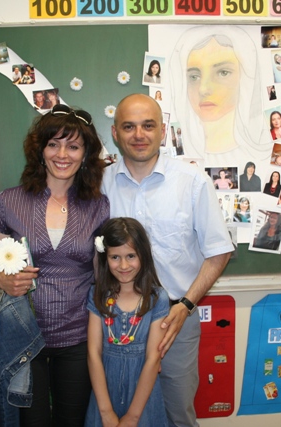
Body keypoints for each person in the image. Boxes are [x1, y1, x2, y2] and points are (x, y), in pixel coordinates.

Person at [0, 104, 109, 427]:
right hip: (23, 335)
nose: (62, 154)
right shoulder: (9, 201)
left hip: (77, 337)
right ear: (40, 150)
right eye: (53, 144)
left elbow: (103, 273)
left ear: (85, 154)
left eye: (73, 146)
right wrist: (1, 279)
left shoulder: (98, 205)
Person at [103, 94, 233, 427]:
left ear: (163, 131)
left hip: (175, 320)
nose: (139, 135)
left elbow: (219, 251)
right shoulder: (98, 185)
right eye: (128, 127)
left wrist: (186, 305)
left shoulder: (193, 182)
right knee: (121, 413)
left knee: (178, 415)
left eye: (148, 126)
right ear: (115, 133)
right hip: (115, 321)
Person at [85, 217, 169, 426]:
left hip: (142, 400)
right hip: (104, 394)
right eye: (115, 257)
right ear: (105, 258)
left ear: (143, 255)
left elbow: (153, 359)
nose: (123, 265)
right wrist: (106, 412)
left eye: (131, 256)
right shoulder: (97, 295)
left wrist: (132, 417)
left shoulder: (157, 299)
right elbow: (93, 353)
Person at [170, 26, 268, 164]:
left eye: (223, 73)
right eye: (194, 77)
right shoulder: (172, 155)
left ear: (245, 77)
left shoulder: (266, 154)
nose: (203, 89)